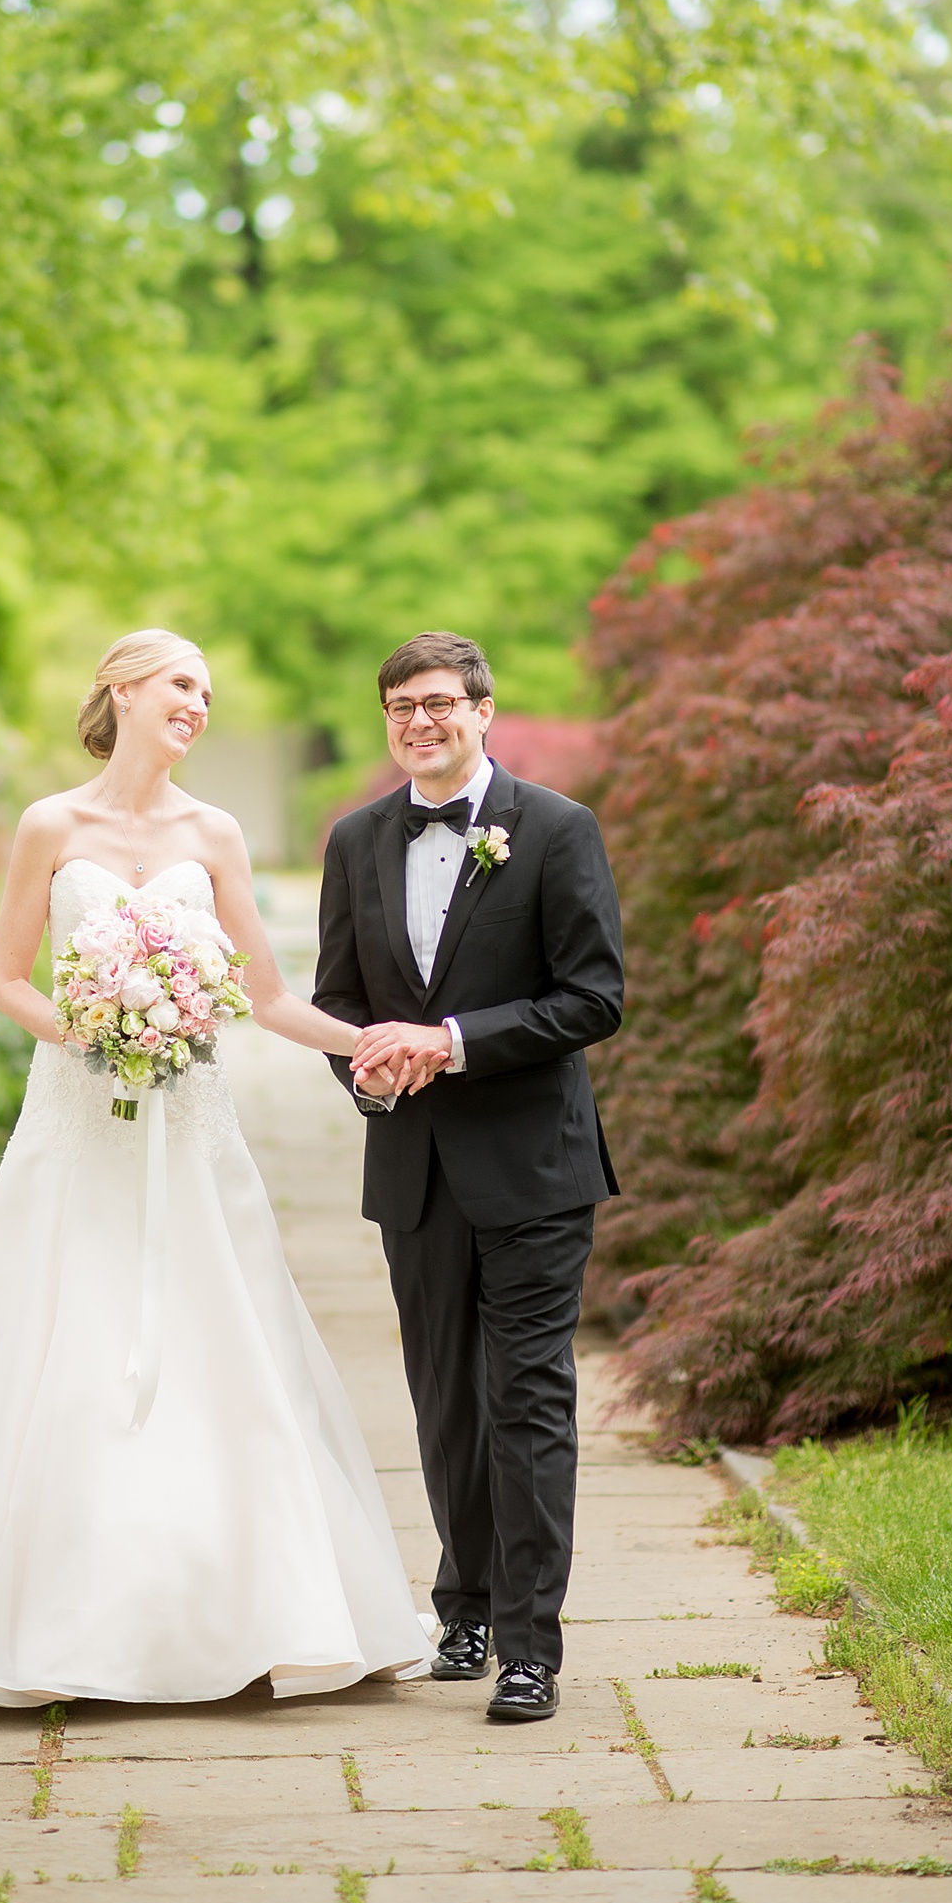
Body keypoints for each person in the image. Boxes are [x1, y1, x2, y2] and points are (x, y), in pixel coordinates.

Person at [0, 628, 431, 1708]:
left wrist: (379, 1039)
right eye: (180, 683)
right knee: (61, 1342)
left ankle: (248, 1612)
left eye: (208, 691)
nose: (198, 703)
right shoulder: (48, 824)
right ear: (120, 688)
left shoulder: (214, 833)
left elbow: (261, 995)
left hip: (191, 1128)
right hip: (78, 1123)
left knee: (220, 1343)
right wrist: (95, 1029)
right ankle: (48, 1626)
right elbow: (8, 982)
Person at [314, 630, 624, 1723]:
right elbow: (338, 1005)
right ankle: (465, 1608)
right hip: (414, 1167)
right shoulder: (353, 842)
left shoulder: (554, 831)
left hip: (534, 1167)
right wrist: (373, 1073)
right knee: (443, 1402)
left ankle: (530, 1649)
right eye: (399, 706)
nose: (418, 722)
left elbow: (592, 999)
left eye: (439, 702)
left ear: (483, 710)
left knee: (526, 1400)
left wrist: (447, 1039)